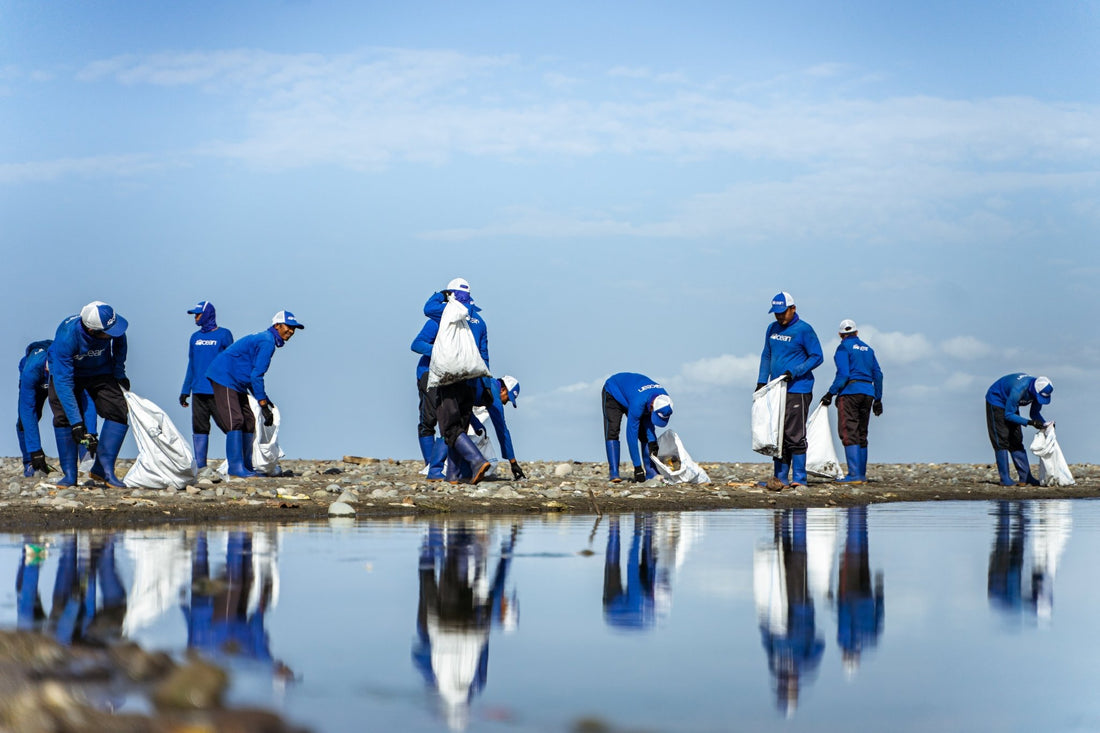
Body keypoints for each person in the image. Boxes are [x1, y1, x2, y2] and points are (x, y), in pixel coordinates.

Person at [205, 310, 304, 477]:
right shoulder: (267, 342)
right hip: (224, 377)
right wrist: (263, 404)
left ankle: (247, 466)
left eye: (294, 329)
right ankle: (235, 468)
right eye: (289, 327)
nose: (291, 331)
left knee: (249, 421)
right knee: (235, 420)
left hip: (238, 382)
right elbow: (257, 375)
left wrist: (264, 400)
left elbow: (251, 375)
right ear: (277, 325)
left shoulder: (266, 339)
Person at [411, 278, 489, 480]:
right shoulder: (445, 321)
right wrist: (484, 384)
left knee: (448, 425)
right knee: (433, 421)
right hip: (432, 374)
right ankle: (441, 471)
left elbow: (428, 308)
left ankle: (440, 470)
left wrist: (441, 294)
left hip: (451, 379)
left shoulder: (451, 317)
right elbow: (417, 344)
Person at [47, 302, 130, 487]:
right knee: (63, 418)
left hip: (100, 371)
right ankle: (69, 475)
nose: (115, 332)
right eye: (109, 331)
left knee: (118, 410)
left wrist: (119, 372)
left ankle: (103, 469)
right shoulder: (66, 337)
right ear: (93, 331)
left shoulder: (112, 327)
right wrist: (77, 423)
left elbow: (120, 342)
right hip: (67, 375)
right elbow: (64, 383)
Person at [756, 292, 823, 488]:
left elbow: (817, 357)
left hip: (798, 388)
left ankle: (800, 479)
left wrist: (795, 371)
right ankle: (780, 478)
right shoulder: (772, 328)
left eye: (782, 312)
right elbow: (766, 355)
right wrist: (761, 381)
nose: (779, 316)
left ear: (793, 309)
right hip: (776, 390)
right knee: (778, 434)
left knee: (794, 433)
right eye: (776, 313)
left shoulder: (804, 330)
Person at [820, 320, 884, 484]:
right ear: (857, 333)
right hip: (868, 393)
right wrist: (878, 399)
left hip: (850, 393)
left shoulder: (843, 348)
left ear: (840, 335)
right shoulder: (868, 350)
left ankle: (854, 475)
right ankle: (861, 475)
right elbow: (878, 375)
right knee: (862, 433)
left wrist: (830, 393)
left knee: (849, 431)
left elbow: (844, 374)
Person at [179, 301, 234, 469]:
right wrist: (185, 390)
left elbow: (231, 361)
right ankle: (201, 466)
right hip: (198, 391)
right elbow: (192, 364)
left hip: (218, 391)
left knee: (229, 426)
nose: (195, 317)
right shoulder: (194, 338)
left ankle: (237, 463)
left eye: (198, 314)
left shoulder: (224, 335)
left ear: (208, 314)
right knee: (200, 428)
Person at [602, 372, 673, 483]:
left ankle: (650, 471)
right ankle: (614, 472)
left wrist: (653, 442)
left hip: (632, 395)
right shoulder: (639, 402)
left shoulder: (664, 399)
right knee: (613, 430)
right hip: (613, 392)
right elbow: (631, 436)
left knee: (645, 434)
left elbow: (649, 424)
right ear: (652, 406)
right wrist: (637, 467)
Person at [984, 373, 1052, 486]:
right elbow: (1008, 415)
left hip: (1011, 404)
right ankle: (1005, 479)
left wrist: (1045, 425)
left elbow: (1034, 413)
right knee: (1001, 439)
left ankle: (1026, 477)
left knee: (1016, 439)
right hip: (997, 400)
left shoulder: (1038, 392)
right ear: (1034, 390)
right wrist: (1029, 422)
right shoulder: (1019, 389)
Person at [467, 375, 526, 480]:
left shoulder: (488, 383)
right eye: (508, 398)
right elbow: (502, 430)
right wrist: (513, 463)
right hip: (456, 397)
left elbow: (465, 406)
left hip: (454, 396)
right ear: (503, 390)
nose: (505, 403)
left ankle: (438, 469)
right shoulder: (494, 395)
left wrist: (476, 424)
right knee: (454, 432)